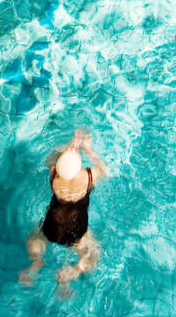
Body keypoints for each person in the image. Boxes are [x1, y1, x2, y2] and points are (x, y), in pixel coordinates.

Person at [20, 127, 109, 296]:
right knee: (92, 254)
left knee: (36, 237)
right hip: (76, 230)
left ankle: (36, 261)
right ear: (79, 167)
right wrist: (89, 151)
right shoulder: (87, 177)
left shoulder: (54, 175)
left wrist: (71, 145)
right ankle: (74, 271)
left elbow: (52, 158)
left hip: (52, 227)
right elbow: (105, 170)